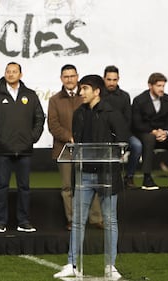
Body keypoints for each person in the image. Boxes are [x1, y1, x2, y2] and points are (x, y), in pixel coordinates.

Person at [54, 75, 129, 280]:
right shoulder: (79, 113)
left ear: (97, 91)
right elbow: (77, 144)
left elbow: (122, 143)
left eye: (85, 88)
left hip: (108, 175)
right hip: (84, 175)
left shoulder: (113, 113)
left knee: (111, 221)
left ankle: (110, 266)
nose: (81, 92)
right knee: (78, 221)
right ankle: (72, 263)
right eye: (81, 89)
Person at [0, 62, 45, 233]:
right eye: (8, 71)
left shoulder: (30, 95)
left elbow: (39, 118)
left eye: (14, 71)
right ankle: (0, 222)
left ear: (20, 75)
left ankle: (23, 221)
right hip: (3, 150)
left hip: (24, 150)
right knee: (2, 186)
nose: (10, 74)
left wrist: (32, 137)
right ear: (5, 74)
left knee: (24, 188)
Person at [48, 64, 103, 231]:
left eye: (72, 76)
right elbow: (53, 125)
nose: (69, 79)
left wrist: (83, 138)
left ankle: (96, 219)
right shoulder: (55, 100)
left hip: (87, 149)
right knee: (67, 187)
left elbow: (94, 120)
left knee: (90, 184)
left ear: (77, 77)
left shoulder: (85, 97)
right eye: (66, 76)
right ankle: (73, 220)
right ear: (61, 79)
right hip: (63, 150)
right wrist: (69, 137)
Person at [132, 72, 168, 190]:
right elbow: (136, 123)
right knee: (149, 139)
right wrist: (153, 131)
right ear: (150, 86)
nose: (162, 89)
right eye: (159, 86)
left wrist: (165, 132)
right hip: (146, 133)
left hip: (163, 134)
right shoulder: (139, 100)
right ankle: (147, 178)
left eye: (163, 86)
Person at [102, 65, 142, 189]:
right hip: (104, 135)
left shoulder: (125, 96)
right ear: (104, 79)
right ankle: (107, 179)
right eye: (109, 79)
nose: (112, 83)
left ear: (118, 79)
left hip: (123, 134)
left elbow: (128, 119)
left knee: (137, 145)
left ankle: (129, 177)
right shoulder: (98, 95)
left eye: (114, 80)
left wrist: (121, 137)